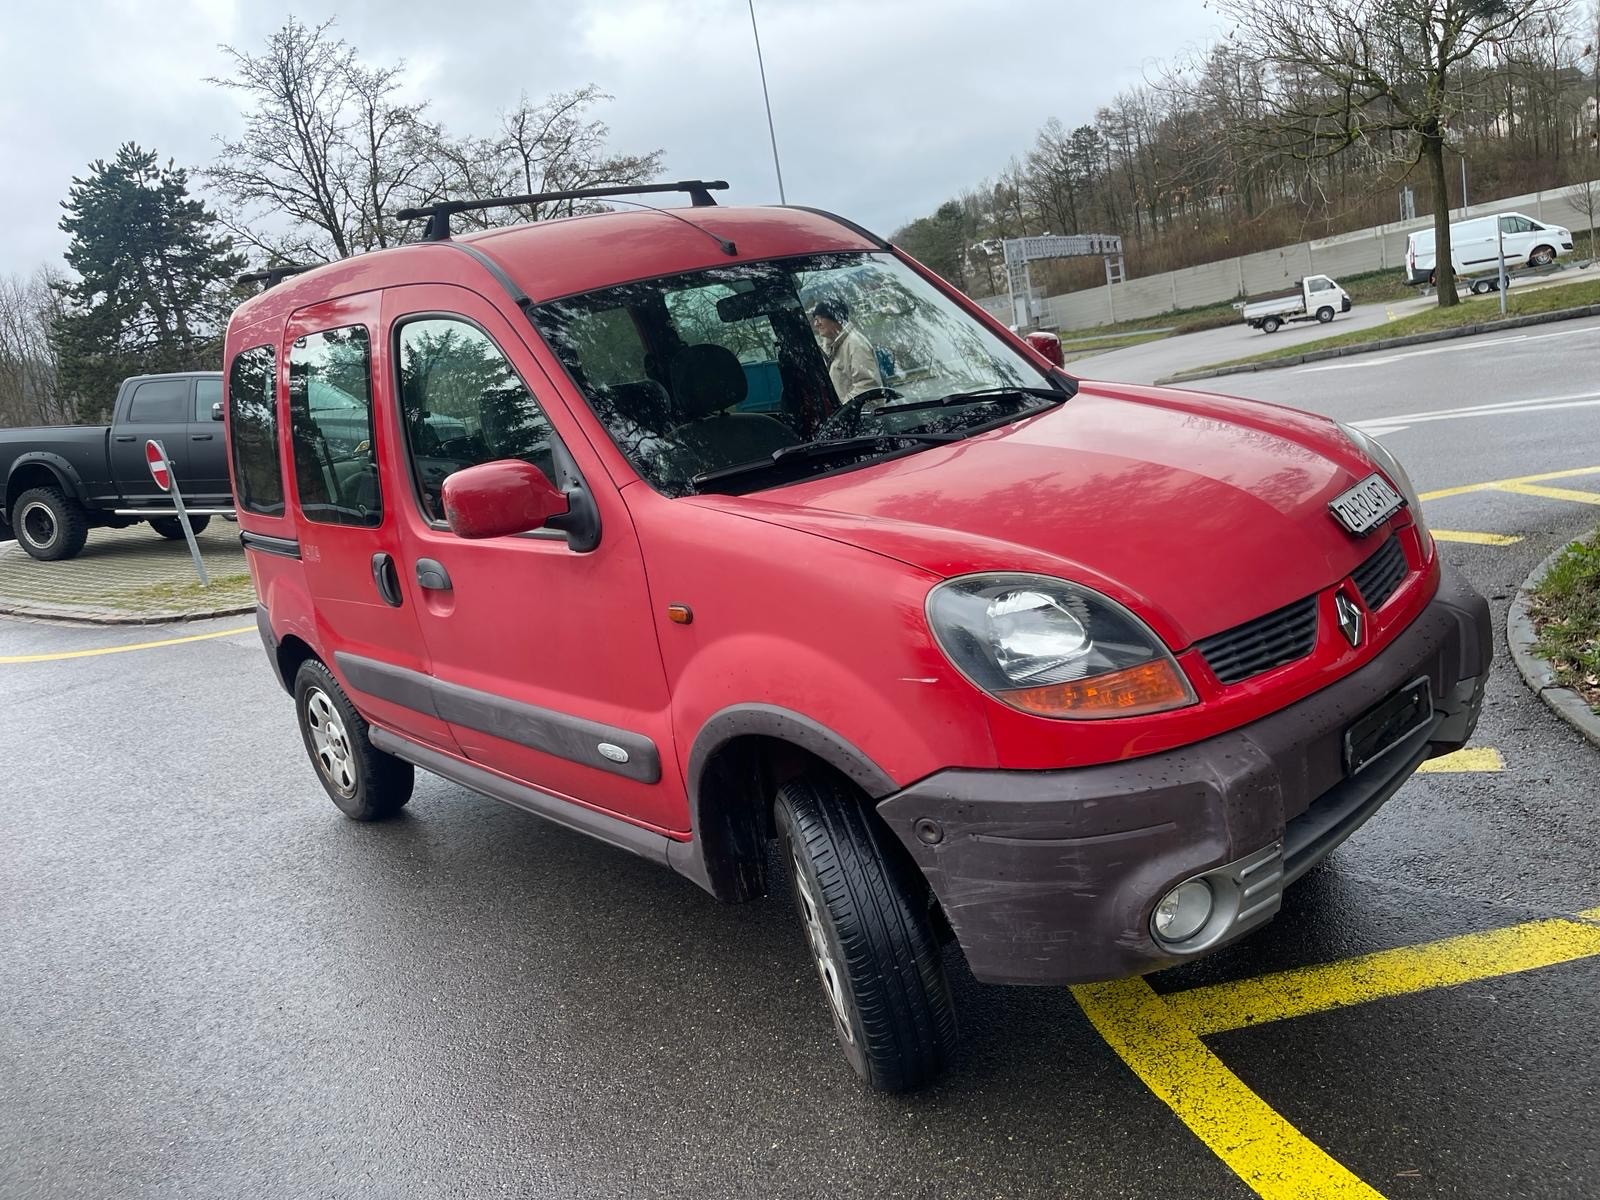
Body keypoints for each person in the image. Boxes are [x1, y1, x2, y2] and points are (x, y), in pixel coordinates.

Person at [810, 297, 882, 404]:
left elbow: (867, 387)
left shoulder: (855, 344)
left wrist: (843, 410)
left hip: (859, 416)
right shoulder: (833, 346)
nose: (816, 324)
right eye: (815, 319)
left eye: (820, 318)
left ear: (835, 317)